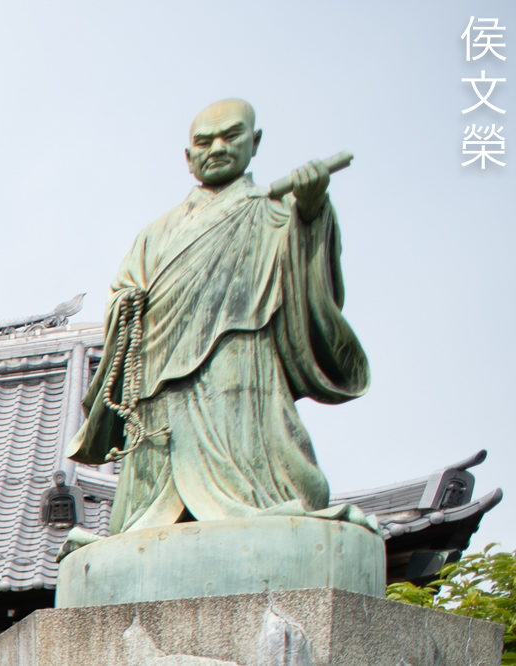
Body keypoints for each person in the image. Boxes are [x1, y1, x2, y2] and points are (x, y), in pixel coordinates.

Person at [66, 98, 372, 537]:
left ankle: (259, 497)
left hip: (241, 359)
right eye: (204, 141)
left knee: (255, 456)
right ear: (188, 156)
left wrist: (310, 213)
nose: (217, 148)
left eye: (231, 136)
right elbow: (121, 294)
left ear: (255, 142)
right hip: (159, 373)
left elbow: (310, 289)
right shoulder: (155, 234)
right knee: (151, 485)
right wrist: (128, 303)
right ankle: (154, 511)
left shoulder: (278, 210)